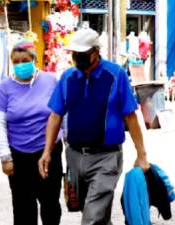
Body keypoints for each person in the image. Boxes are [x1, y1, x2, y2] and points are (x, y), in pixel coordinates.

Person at [38, 28, 150, 225]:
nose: (77, 58)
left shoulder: (115, 75)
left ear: (96, 52)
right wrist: (47, 151)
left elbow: (130, 117)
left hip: (106, 157)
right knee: (94, 213)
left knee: (91, 217)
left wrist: (141, 155)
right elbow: (55, 116)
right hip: (74, 156)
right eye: (75, 54)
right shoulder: (68, 78)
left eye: (82, 54)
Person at [0, 40, 63, 225]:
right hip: (19, 156)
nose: (20, 65)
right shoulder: (5, 87)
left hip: (49, 152)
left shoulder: (51, 81)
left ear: (34, 60)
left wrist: (67, 140)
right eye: (16, 61)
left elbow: (61, 114)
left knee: (50, 206)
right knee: (23, 209)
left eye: (25, 60)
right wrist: (5, 157)